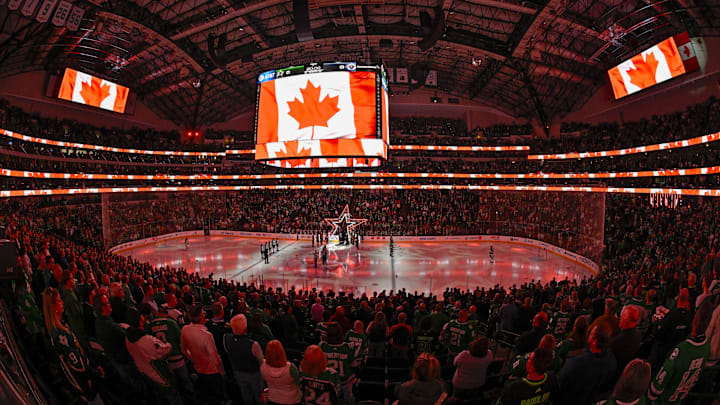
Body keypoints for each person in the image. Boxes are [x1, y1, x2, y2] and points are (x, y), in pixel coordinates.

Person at [43, 287, 103, 405]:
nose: (62, 303)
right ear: (54, 307)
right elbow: (76, 364)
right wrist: (93, 374)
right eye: (60, 301)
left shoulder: (59, 326)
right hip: (85, 381)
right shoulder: (59, 333)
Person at [649, 300, 713, 405]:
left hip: (665, 399)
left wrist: (652, 395)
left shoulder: (682, 349)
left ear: (695, 319)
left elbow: (660, 381)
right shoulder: (706, 347)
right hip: (680, 398)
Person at [125, 307, 181, 405]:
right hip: (159, 374)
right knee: (172, 396)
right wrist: (167, 343)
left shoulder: (127, 338)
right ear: (139, 320)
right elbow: (165, 349)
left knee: (159, 397)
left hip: (146, 373)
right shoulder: (147, 341)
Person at [556, 324, 617, 405]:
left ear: (594, 341)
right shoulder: (611, 361)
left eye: (591, 333)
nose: (589, 335)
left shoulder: (576, 363)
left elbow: (558, 384)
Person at [181, 304, 226, 403]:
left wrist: (194, 359)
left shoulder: (185, 329)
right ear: (200, 315)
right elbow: (215, 358)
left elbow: (184, 350)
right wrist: (222, 371)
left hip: (198, 368)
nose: (204, 313)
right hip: (212, 371)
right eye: (203, 312)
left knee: (205, 394)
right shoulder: (207, 335)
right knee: (216, 396)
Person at [145, 303, 194, 396]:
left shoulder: (149, 326)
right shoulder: (171, 323)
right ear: (166, 314)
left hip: (163, 361)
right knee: (185, 381)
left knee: (173, 384)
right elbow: (181, 341)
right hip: (177, 358)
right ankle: (191, 396)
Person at [224, 314, 264, 405]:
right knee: (259, 396)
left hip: (238, 372)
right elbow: (261, 361)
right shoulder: (253, 345)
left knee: (245, 394)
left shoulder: (226, 339)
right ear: (246, 328)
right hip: (254, 374)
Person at [319, 323, 356, 402]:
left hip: (329, 381)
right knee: (348, 400)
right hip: (345, 380)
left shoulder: (322, 346)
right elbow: (353, 363)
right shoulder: (347, 347)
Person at [261, 340, 302, 405]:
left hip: (273, 398)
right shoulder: (290, 367)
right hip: (291, 400)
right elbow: (298, 383)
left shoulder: (262, 365)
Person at [609, 305, 642, 377]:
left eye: (621, 317)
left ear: (625, 320)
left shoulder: (618, 341)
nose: (620, 319)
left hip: (615, 372)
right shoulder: (638, 334)